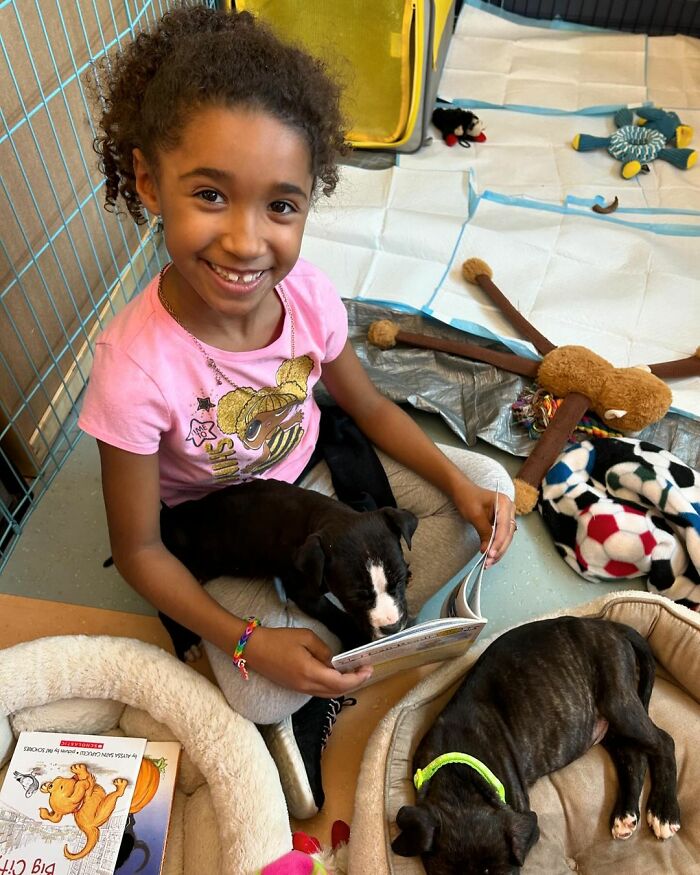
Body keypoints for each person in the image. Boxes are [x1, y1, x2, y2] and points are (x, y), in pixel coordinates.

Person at [79, 5, 516, 820]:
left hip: (320, 479)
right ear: (147, 182)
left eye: (281, 206)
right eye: (211, 194)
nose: (246, 242)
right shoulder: (133, 368)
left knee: (486, 479)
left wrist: (457, 487)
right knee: (259, 696)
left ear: (309, 201)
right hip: (229, 525)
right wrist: (250, 642)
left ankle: (341, 618)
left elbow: (371, 408)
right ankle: (320, 637)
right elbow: (138, 550)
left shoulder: (309, 297)